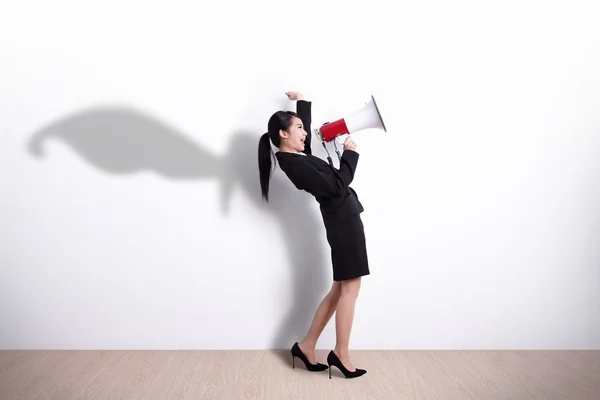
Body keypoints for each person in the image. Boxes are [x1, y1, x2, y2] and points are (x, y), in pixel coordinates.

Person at [257, 91, 369, 379]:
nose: (305, 133)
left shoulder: (293, 156)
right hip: (343, 221)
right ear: (283, 134)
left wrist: (302, 103)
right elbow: (337, 186)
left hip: (343, 219)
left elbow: (303, 142)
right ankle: (341, 354)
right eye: (298, 129)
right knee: (350, 289)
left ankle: (306, 347)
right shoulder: (292, 162)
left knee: (338, 290)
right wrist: (351, 155)